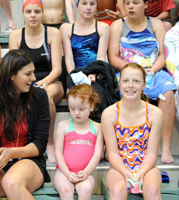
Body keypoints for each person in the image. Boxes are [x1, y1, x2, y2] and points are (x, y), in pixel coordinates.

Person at [0, 49, 51, 200]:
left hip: (29, 161)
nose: (34, 78)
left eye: (33, 72)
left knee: (12, 182)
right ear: (11, 75)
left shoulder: (39, 97)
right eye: (28, 74)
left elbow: (39, 145)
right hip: (1, 162)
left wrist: (12, 153)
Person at [109, 0, 176, 164]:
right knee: (127, 88)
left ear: (146, 5)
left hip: (152, 71)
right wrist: (132, 69)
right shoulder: (118, 25)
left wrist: (152, 71)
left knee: (167, 91)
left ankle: (165, 149)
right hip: (127, 71)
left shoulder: (156, 24)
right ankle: (128, 147)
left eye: (136, 2)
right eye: (128, 3)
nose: (130, 6)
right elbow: (113, 57)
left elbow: (162, 55)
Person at [9, 0, 64, 163]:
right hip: (24, 82)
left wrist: (44, 82)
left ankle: (49, 142)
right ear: (23, 14)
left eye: (37, 12)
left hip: (51, 81)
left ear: (42, 13)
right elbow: (14, 68)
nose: (33, 15)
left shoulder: (53, 33)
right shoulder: (16, 36)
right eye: (29, 12)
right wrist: (27, 84)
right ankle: (20, 141)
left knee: (45, 96)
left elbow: (57, 69)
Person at [101, 63, 163, 199]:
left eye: (136, 81)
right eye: (126, 81)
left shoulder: (155, 113)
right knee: (117, 190)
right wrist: (127, 173)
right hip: (119, 167)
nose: (130, 86)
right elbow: (112, 154)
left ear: (144, 84)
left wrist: (140, 173)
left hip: (147, 166)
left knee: (152, 190)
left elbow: (152, 153)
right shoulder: (109, 114)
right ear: (119, 83)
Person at [54, 84, 103, 200]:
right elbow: (58, 153)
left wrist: (86, 172)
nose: (76, 113)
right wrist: (67, 173)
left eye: (81, 109)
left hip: (86, 174)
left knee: (85, 189)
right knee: (66, 190)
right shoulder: (63, 126)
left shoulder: (97, 128)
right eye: (72, 108)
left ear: (91, 106)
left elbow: (97, 154)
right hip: (63, 172)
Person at [60, 0, 110, 75]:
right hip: (74, 74)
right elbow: (68, 59)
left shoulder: (103, 28)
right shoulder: (66, 29)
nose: (88, 7)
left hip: (96, 74)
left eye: (92, 4)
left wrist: (94, 75)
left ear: (96, 7)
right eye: (84, 3)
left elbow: (101, 58)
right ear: (77, 7)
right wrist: (75, 77)